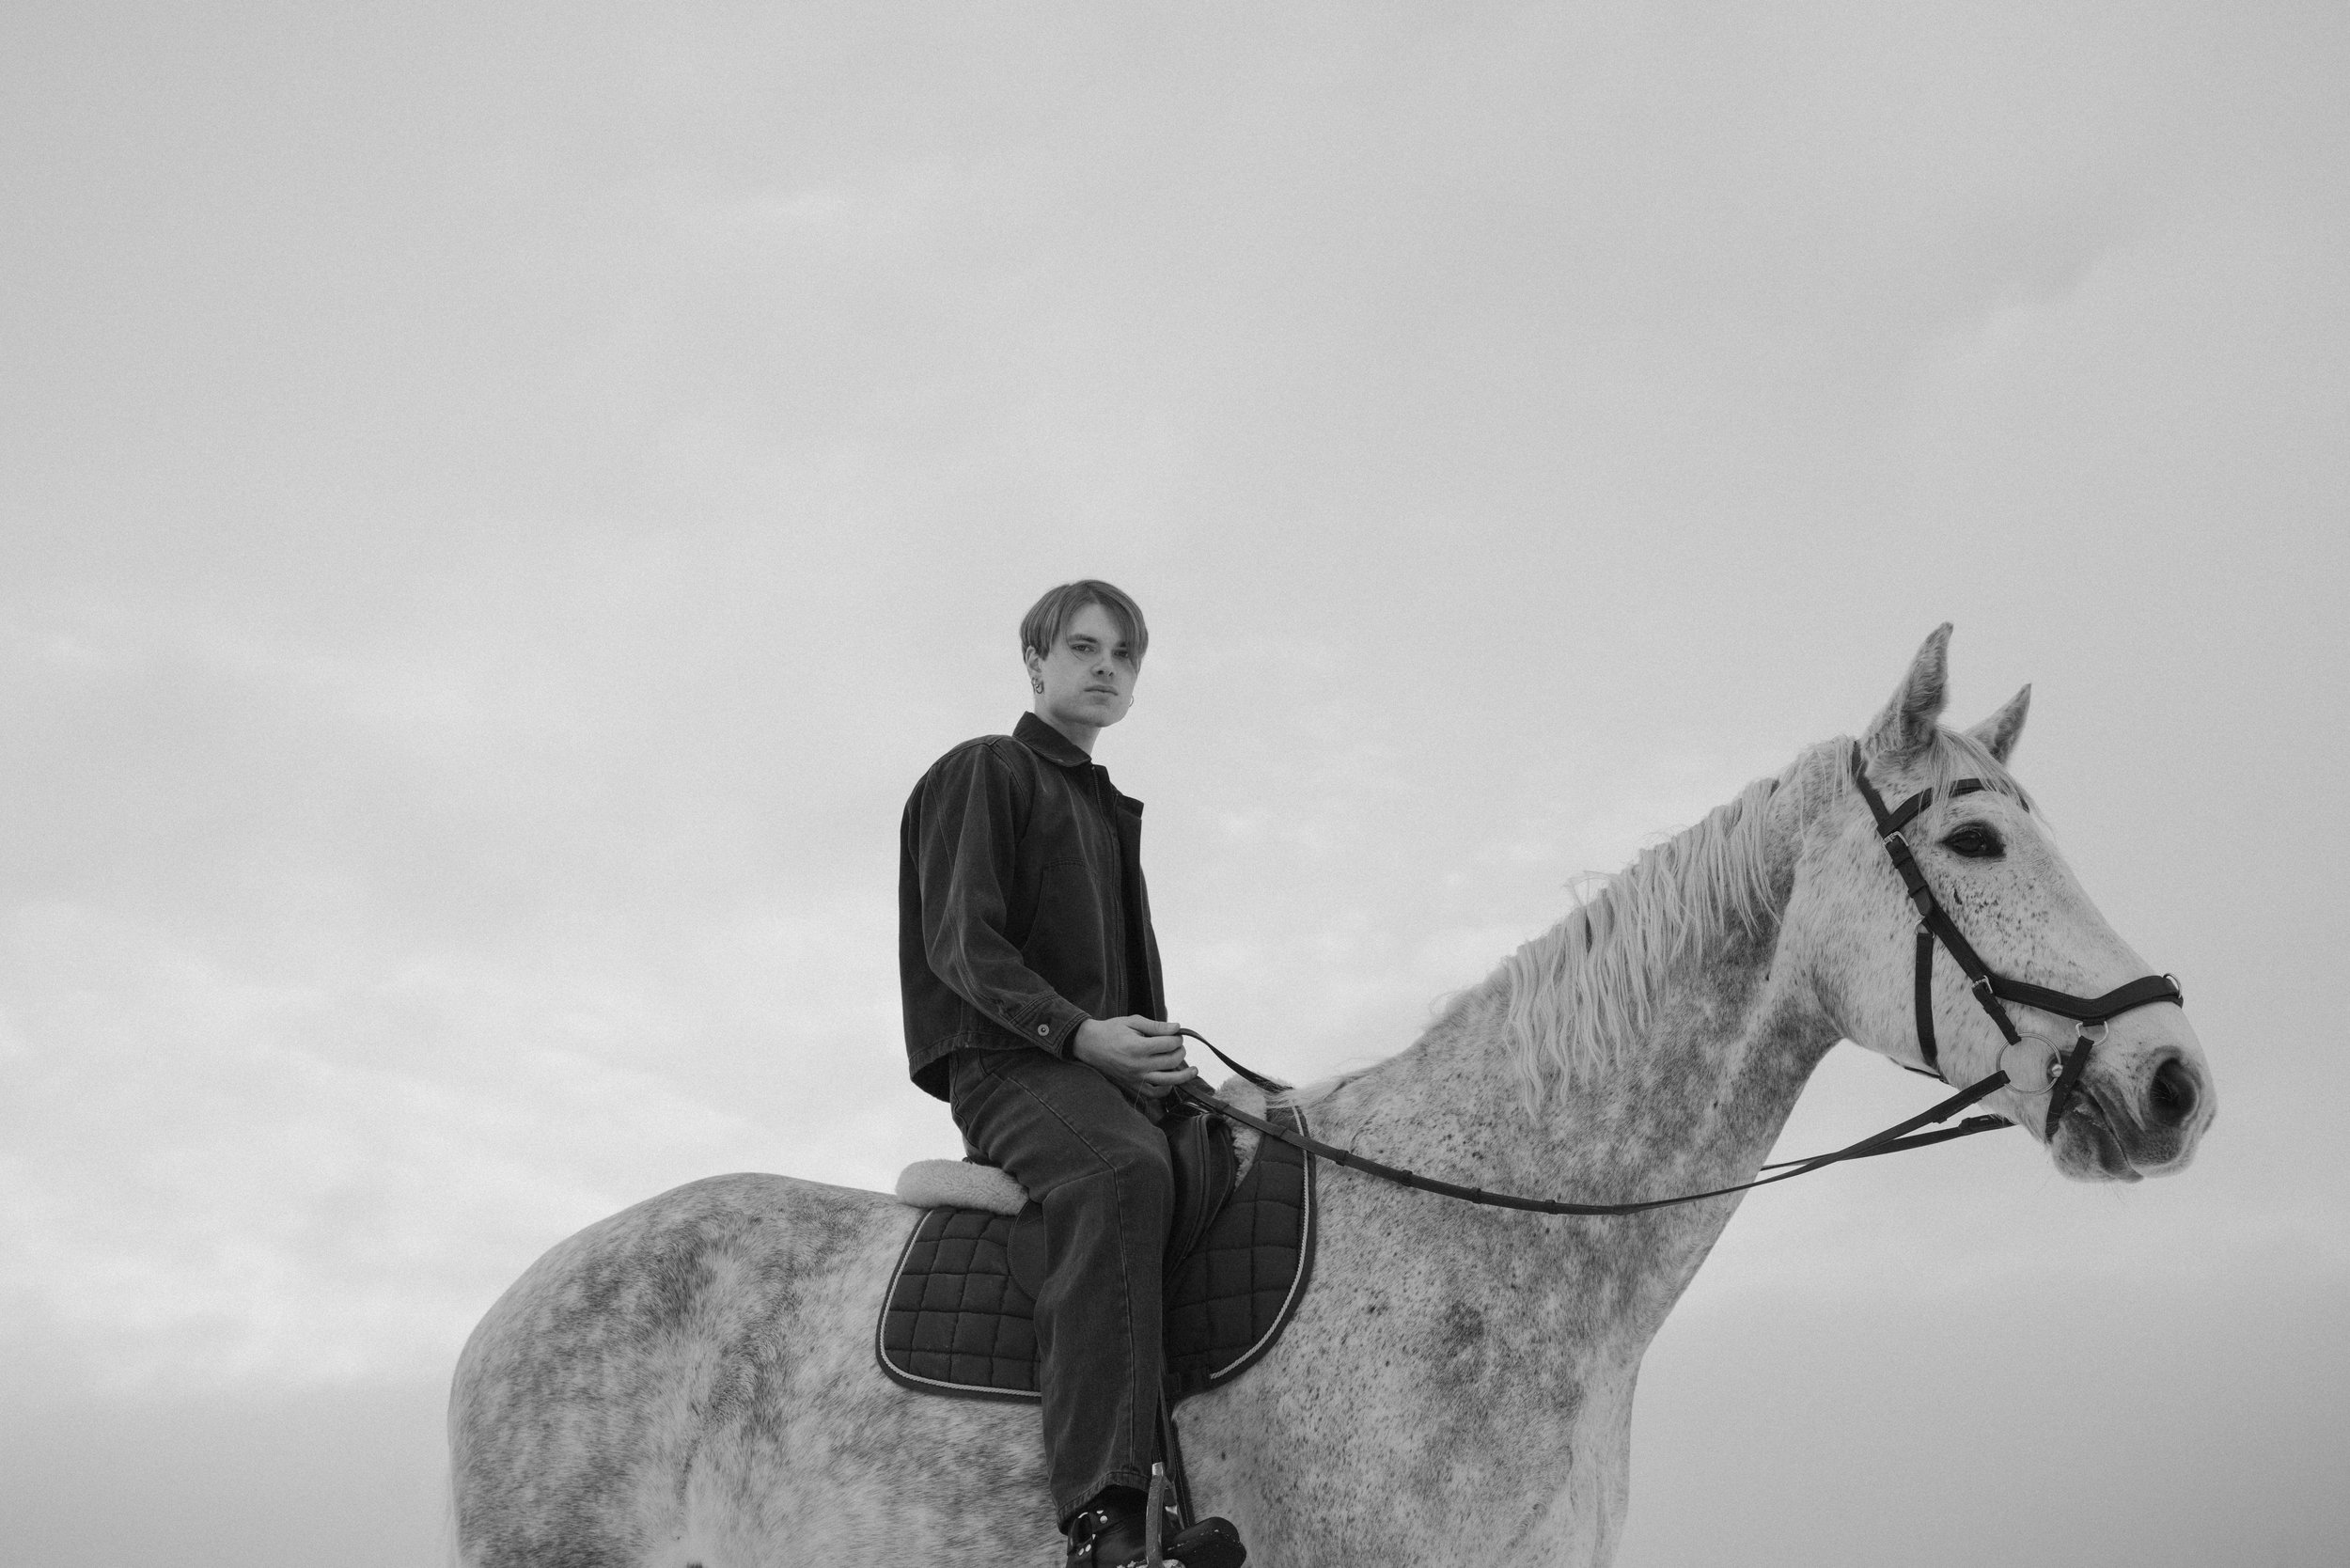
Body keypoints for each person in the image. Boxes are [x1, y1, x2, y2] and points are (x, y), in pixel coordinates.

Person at [899, 580, 1243, 1568]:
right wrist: (1081, 1035)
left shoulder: (1106, 813)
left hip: (1102, 1073)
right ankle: (1104, 1516)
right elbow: (962, 944)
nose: (1106, 668)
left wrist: (1167, 1071)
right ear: (1034, 662)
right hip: (1004, 1063)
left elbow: (1125, 1001)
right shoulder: (987, 769)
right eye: (1083, 648)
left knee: (1229, 1152)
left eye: (1124, 655)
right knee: (1117, 1171)